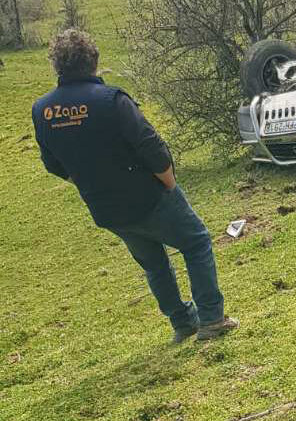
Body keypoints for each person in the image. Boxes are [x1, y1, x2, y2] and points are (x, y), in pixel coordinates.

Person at [32, 29, 238, 343]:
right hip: (149, 196)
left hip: (107, 208)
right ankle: (211, 319)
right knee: (195, 242)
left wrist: (89, 182)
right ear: (94, 62)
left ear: (56, 66)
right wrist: (168, 183)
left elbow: (53, 164)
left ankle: (183, 323)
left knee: (153, 263)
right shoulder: (111, 100)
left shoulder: (43, 111)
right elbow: (151, 146)